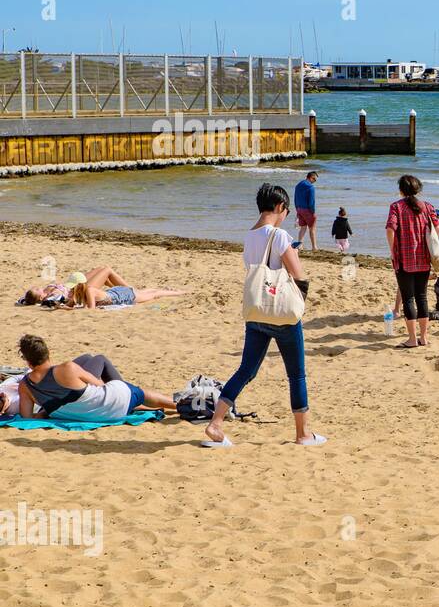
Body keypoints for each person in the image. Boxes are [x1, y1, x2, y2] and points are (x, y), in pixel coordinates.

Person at [202, 183, 325, 448]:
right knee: (296, 375)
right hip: (281, 314)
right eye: (286, 212)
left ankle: (216, 423)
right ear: (280, 207)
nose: (286, 216)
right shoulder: (280, 236)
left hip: (256, 310)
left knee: (246, 369)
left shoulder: (249, 236)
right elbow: (298, 275)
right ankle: (303, 434)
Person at [14, 335, 175, 422]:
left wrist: (47, 410)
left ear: (28, 361)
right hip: (115, 404)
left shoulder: (25, 386)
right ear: (48, 353)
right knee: (137, 392)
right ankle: (179, 406)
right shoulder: (67, 368)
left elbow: (27, 417)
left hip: (87, 412)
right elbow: (99, 384)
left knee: (86, 358)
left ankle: (136, 404)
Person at [386, 174, 439, 348]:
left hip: (403, 259)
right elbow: (437, 229)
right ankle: (424, 337)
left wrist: (393, 251)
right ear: (418, 189)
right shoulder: (428, 206)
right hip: (424, 258)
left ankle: (412, 339)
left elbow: (390, 230)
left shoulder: (396, 207)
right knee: (422, 297)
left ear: (401, 190)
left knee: (408, 298)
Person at [62, 266, 186, 309]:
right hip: (116, 292)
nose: (71, 290)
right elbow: (75, 304)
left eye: (72, 288)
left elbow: (91, 309)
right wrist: (67, 306)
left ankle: (179, 293)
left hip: (123, 296)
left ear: (78, 286)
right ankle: (172, 291)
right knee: (144, 292)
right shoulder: (83, 291)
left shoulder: (89, 290)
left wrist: (68, 309)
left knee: (154, 294)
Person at [294, 171, 319, 251]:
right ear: (311, 177)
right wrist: (313, 212)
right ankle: (314, 247)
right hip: (307, 210)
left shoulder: (298, 185)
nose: (314, 181)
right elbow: (311, 202)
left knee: (303, 227)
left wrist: (297, 209)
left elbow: (295, 198)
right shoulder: (310, 187)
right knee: (312, 228)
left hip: (299, 208)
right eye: (314, 179)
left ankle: (299, 245)